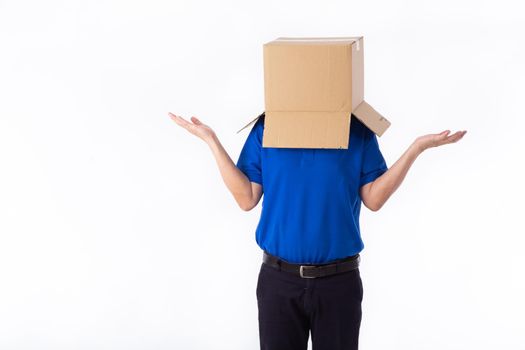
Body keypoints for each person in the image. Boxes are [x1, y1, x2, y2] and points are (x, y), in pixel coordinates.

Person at [169, 111, 466, 350]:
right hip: (278, 282)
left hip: (339, 283)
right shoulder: (268, 128)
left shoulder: (356, 130)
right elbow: (246, 197)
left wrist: (416, 148)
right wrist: (211, 141)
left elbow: (374, 199)